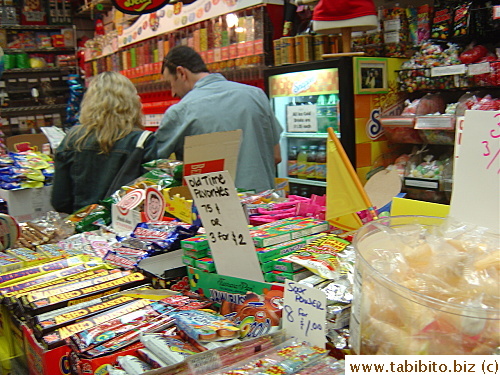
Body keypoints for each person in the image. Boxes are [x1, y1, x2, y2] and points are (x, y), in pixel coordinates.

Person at [156, 45, 282, 193]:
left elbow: (153, 165)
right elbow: (276, 156)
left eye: (171, 82)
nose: (172, 92)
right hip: (264, 206)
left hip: (214, 209)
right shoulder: (256, 95)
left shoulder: (181, 111)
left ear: (181, 73)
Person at [51, 71, 157, 214]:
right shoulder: (144, 141)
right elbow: (152, 198)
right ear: (132, 102)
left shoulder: (72, 139)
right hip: (127, 227)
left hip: (83, 227)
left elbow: (60, 201)